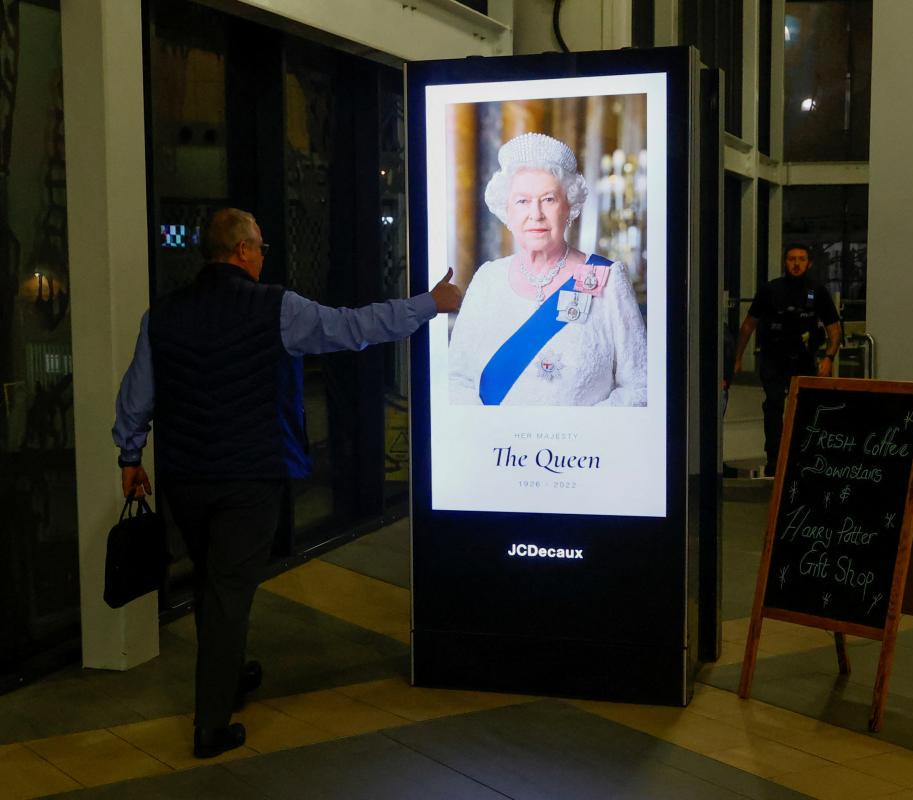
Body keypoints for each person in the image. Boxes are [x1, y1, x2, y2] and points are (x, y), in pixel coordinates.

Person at [112, 208, 461, 759]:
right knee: (227, 591)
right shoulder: (276, 307)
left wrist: (130, 456)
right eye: (262, 247)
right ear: (245, 251)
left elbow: (137, 395)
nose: (263, 256)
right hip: (249, 477)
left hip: (185, 478)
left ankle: (228, 675)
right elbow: (353, 328)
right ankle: (210, 726)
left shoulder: (163, 316)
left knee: (213, 582)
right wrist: (428, 306)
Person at [448, 132, 647, 406]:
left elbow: (639, 385)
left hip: (583, 448)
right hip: (500, 449)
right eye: (522, 201)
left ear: (570, 207)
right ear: (507, 212)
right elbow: (456, 380)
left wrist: (581, 434)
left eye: (549, 199)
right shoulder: (487, 279)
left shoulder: (608, 279)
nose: (536, 214)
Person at [733, 244, 841, 476]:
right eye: (792, 259)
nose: (796, 263)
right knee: (773, 406)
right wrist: (738, 357)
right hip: (773, 358)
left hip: (803, 360)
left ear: (809, 263)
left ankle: (803, 457)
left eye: (801, 259)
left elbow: (834, 329)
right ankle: (774, 458)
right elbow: (748, 326)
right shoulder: (770, 290)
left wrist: (829, 357)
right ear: (785, 262)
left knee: (805, 408)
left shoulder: (817, 292)